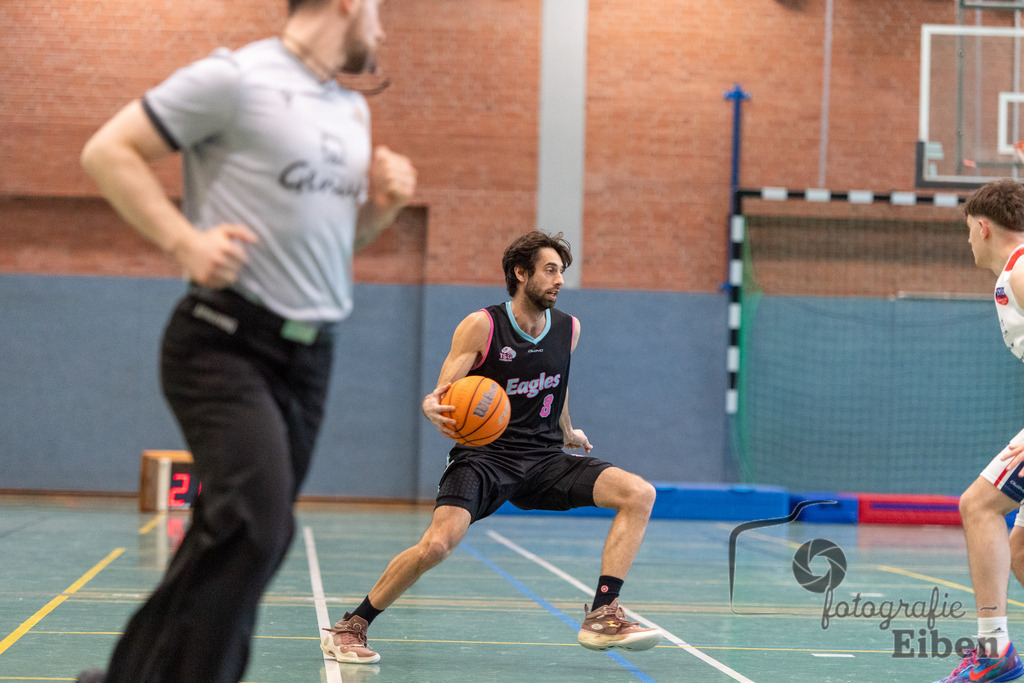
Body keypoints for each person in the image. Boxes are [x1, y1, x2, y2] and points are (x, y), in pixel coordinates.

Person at [75, 0, 416, 681]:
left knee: (231, 530)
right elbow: (107, 150)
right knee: (259, 525)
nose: (381, 29)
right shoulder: (235, 79)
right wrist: (184, 240)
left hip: (311, 356)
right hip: (224, 340)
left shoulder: (351, 111)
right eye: (378, 10)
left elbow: (336, 244)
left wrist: (382, 209)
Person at [320, 230, 662, 665]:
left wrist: (568, 429)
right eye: (551, 270)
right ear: (521, 273)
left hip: (543, 458)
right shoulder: (482, 325)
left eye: (562, 272)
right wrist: (431, 404)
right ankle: (353, 625)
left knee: (639, 493)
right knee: (437, 545)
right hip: (484, 458)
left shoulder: (568, 329)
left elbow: (557, 382)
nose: (560, 280)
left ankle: (602, 613)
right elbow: (445, 388)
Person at [935, 178, 1024, 683]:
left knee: (979, 504)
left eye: (969, 230)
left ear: (983, 227)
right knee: (1021, 551)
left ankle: (993, 650)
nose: (968, 241)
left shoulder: (1021, 269)